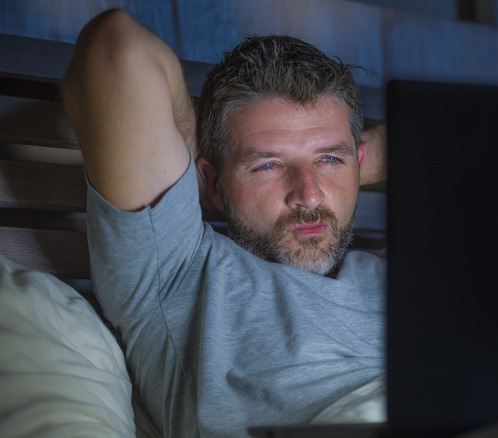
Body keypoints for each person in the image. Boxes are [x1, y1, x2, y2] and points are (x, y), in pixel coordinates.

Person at [63, 8, 385, 437]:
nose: (308, 194)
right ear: (212, 183)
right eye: (268, 165)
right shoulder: (178, 272)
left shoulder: (399, 271)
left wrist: (356, 166)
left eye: (329, 159)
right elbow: (116, 49)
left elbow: (484, 141)